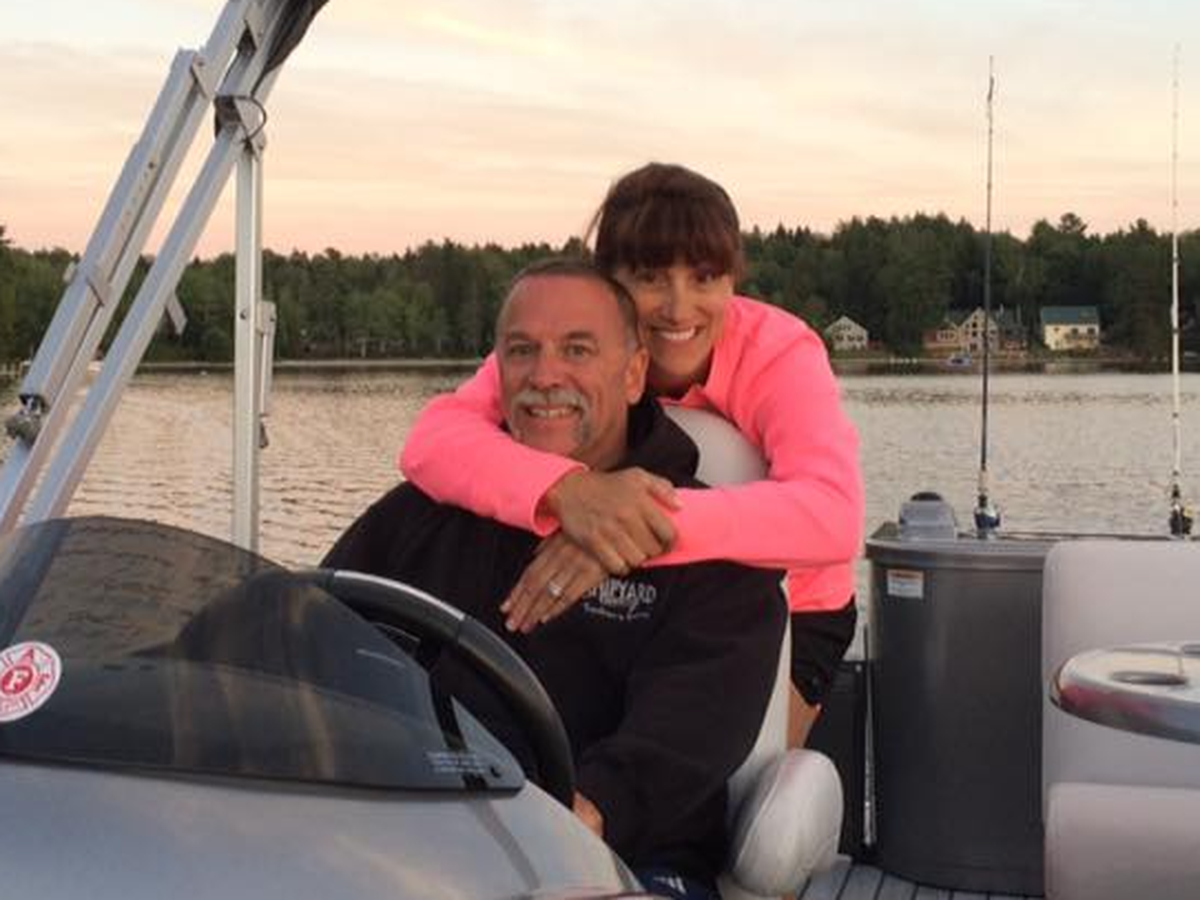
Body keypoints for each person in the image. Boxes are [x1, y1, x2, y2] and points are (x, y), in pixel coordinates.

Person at [325, 260, 786, 900]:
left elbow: (692, 727)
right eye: (522, 351)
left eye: (577, 350)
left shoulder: (711, 549)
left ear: (634, 375)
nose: (544, 376)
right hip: (411, 837)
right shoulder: (420, 515)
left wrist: (586, 812)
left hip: (623, 858)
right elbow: (306, 624)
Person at [400, 163, 863, 746]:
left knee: (735, 767)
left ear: (732, 282)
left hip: (793, 606)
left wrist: (628, 528)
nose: (679, 308)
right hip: (630, 592)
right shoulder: (566, 347)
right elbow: (434, 439)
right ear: (609, 282)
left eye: (705, 278)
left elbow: (831, 515)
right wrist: (569, 494)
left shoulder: (778, 353)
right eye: (650, 278)